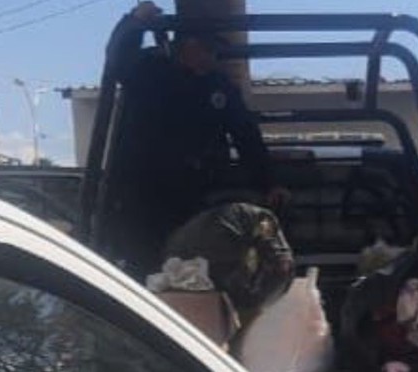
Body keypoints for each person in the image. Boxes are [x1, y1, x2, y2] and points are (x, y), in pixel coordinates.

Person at [109, 2, 289, 277]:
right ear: (189, 46)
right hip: (141, 189)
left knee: (189, 261)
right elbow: (117, 61)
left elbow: (245, 135)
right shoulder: (149, 69)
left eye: (215, 50)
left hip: (190, 192)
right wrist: (134, 24)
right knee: (142, 264)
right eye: (208, 49)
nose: (213, 57)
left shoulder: (218, 87)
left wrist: (269, 182)